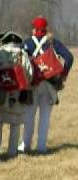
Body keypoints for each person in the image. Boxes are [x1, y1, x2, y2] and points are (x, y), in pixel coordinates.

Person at [18, 16, 74, 153]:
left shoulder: (27, 43)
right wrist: (63, 74)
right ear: (45, 28)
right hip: (49, 85)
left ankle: (25, 145)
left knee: (29, 117)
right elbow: (69, 57)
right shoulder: (52, 42)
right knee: (45, 118)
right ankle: (41, 147)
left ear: (34, 29)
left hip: (33, 85)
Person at [0, 31, 33, 157]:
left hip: (1, 93)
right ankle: (12, 152)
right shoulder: (23, 54)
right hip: (18, 93)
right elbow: (30, 73)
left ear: (4, 41)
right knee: (15, 124)